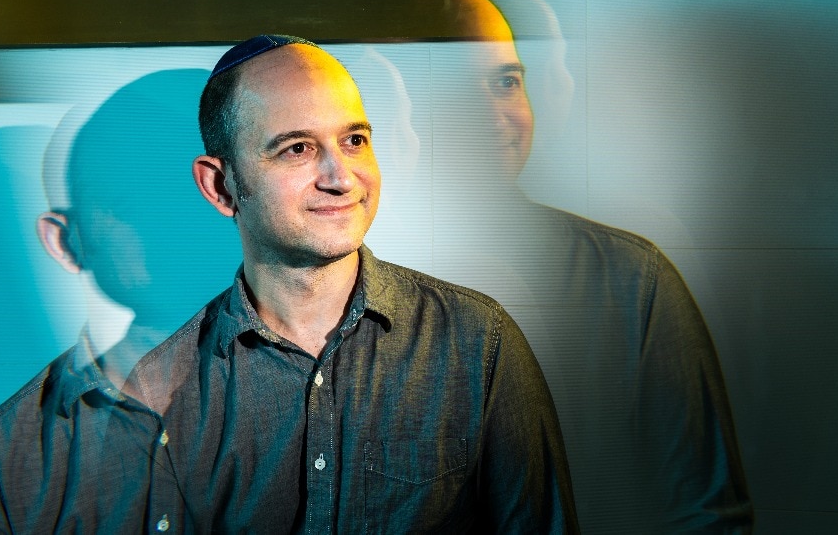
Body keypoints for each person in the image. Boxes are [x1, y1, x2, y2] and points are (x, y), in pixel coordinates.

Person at [123, 35, 579, 533]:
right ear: (220, 185)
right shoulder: (160, 391)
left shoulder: (478, 342)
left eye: (354, 140)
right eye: (298, 148)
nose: (341, 178)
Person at [420, 0, 754, 533]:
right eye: (455, 87)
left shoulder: (632, 281)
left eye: (506, 83)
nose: (494, 116)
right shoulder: (327, 286)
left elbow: (704, 514)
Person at [0, 70, 239, 533]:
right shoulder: (2, 456)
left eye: (186, 187)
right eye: (123, 200)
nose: (164, 217)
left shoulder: (331, 391)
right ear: (64, 242)